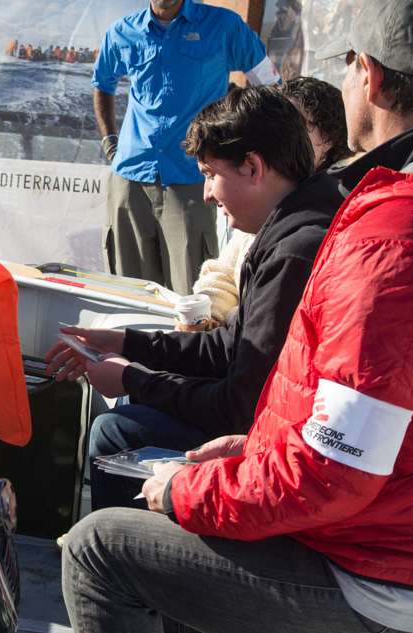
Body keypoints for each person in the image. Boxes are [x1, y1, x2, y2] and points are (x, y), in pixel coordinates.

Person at [55, 2, 413, 633]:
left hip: (388, 584)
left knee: (97, 548)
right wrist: (255, 447)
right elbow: (410, 424)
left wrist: (185, 490)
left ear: (368, 76)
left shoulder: (402, 237)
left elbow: (335, 470)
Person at [48, 85, 343, 511]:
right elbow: (229, 346)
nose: (206, 194)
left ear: (252, 167)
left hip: (266, 445)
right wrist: (127, 344)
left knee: (114, 430)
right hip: (267, 424)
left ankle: (121, 557)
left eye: (209, 174)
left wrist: (131, 378)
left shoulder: (295, 251)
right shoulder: (291, 228)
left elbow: (237, 408)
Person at [93, 0, 280, 295]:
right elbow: (102, 84)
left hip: (192, 182)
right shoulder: (121, 31)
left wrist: (239, 145)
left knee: (193, 298)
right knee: (129, 294)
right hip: (128, 181)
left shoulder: (224, 26)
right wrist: (110, 142)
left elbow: (269, 86)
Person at [192, 76, 352, 326]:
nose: (279, 135)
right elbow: (223, 272)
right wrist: (207, 313)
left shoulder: (315, 230)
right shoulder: (262, 205)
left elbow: (266, 332)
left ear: (330, 139)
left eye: (294, 124)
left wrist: (233, 324)